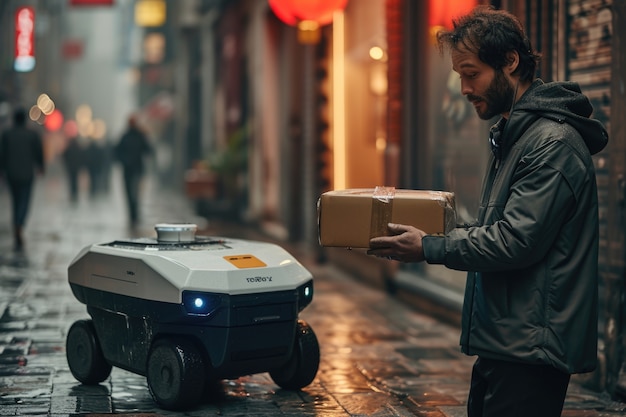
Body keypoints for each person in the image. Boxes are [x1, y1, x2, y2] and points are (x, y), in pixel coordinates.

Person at [367, 6, 608, 417]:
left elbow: (515, 241)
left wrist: (430, 247)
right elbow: (501, 229)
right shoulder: (515, 135)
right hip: (508, 338)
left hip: (532, 345)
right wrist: (432, 231)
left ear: (510, 62)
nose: (464, 88)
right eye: (461, 75)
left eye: (471, 73)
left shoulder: (550, 143)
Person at [0, 106, 45, 251]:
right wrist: (41, 167)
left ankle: (16, 224)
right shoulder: (32, 135)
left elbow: (2, 154)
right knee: (24, 201)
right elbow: (39, 152)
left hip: (11, 174)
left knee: (15, 200)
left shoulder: (7, 135)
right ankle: (19, 223)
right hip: (27, 174)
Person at [114, 114, 152, 229]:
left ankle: (134, 215)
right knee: (132, 194)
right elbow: (116, 153)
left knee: (133, 194)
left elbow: (148, 150)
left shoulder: (135, 136)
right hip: (131, 170)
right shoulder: (129, 137)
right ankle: (133, 216)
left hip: (134, 170)